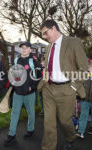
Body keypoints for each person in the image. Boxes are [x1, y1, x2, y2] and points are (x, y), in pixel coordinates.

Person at [38, 20, 88, 150]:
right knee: (48, 123)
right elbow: (49, 67)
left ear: (53, 28)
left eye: (45, 33)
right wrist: (43, 81)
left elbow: (83, 68)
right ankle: (48, 147)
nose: (44, 36)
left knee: (65, 121)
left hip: (66, 89)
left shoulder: (73, 42)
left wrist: (73, 86)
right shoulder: (49, 46)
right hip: (48, 88)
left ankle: (71, 137)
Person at [4, 41, 43, 146]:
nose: (24, 49)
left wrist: (33, 86)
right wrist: (12, 83)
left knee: (30, 112)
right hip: (18, 92)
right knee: (14, 113)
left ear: (30, 50)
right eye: (22, 48)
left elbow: (40, 75)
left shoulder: (34, 61)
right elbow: (13, 73)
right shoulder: (16, 59)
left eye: (26, 48)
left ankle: (31, 130)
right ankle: (11, 135)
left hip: (30, 93)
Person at [76, 60, 92, 138]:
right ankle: (80, 131)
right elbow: (80, 85)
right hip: (85, 99)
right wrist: (78, 95)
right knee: (83, 115)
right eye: (89, 67)